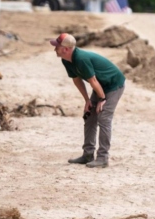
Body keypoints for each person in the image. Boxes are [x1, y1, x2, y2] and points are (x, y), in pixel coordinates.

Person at [50, 33, 126, 168]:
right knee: (90, 116)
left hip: (113, 85)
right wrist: (87, 100)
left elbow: (93, 80)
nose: (54, 49)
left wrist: (102, 99)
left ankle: (103, 158)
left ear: (65, 49)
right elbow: (77, 79)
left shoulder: (81, 58)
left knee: (103, 117)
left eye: (57, 47)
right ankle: (88, 154)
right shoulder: (66, 59)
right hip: (100, 86)